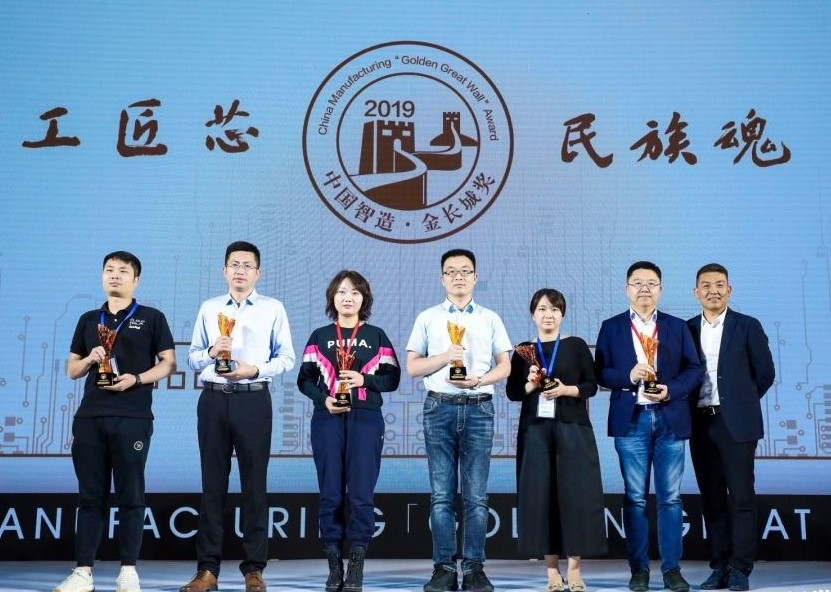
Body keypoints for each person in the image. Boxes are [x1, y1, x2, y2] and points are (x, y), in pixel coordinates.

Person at [55, 251, 176, 592]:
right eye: (109, 269)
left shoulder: (152, 317)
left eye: (123, 271)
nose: (115, 275)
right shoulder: (88, 319)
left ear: (136, 280)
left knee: (131, 495)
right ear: (102, 276)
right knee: (90, 497)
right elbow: (72, 370)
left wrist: (136, 379)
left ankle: (128, 571)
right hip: (90, 418)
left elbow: (168, 363)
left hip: (132, 416)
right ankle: (83, 573)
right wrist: (91, 359)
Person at [180, 241, 295, 592]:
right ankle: (207, 571)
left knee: (254, 487)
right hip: (214, 400)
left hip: (253, 399)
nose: (240, 270)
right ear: (224, 270)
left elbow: (286, 358)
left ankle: (254, 570)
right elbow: (192, 358)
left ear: (258, 272)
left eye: (247, 265)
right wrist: (211, 350)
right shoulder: (209, 307)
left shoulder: (273, 308)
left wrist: (253, 369)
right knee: (212, 486)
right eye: (234, 264)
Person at [406, 248, 512, 592]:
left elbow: (505, 366)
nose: (458, 277)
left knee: (476, 495)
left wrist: (479, 380)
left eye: (465, 271)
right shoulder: (428, 318)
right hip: (439, 407)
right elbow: (412, 367)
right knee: (441, 495)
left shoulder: (490, 318)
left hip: (479, 407)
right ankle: (443, 569)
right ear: (442, 278)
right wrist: (444, 357)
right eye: (451, 271)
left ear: (475, 277)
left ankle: (475, 568)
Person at [594, 261, 702, 592]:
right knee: (635, 498)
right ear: (627, 289)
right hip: (632, 421)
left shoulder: (677, 327)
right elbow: (600, 373)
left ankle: (672, 570)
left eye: (651, 283)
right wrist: (627, 376)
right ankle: (638, 569)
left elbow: (694, 369)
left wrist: (672, 389)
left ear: (661, 289)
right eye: (637, 283)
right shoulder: (611, 327)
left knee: (671, 499)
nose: (644, 288)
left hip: (669, 418)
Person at [297, 270, 401, 592]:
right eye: (342, 291)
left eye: (355, 292)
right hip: (327, 418)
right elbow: (304, 380)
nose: (348, 297)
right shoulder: (319, 336)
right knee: (329, 490)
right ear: (333, 296)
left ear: (364, 299)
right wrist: (324, 399)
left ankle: (356, 565)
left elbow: (392, 379)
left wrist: (363, 380)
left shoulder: (376, 336)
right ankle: (333, 566)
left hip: (366, 419)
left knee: (360, 493)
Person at [506, 289, 606, 592]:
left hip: (573, 428)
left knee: (577, 496)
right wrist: (530, 383)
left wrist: (565, 390)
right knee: (540, 496)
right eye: (542, 309)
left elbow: (591, 385)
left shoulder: (576, 346)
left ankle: (574, 569)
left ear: (562, 314)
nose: (548, 314)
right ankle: (551, 570)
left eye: (554, 309)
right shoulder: (523, 351)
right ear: (532, 314)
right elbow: (513, 393)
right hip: (535, 431)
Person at [687, 264, 775, 592]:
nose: (713, 290)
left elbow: (765, 373)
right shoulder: (686, 329)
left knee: (741, 498)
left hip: (736, 423)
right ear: (696, 292)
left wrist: (740, 402)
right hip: (700, 423)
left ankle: (740, 568)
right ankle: (719, 566)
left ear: (729, 290)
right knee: (711, 499)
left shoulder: (748, 326)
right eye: (706, 285)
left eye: (720, 284)